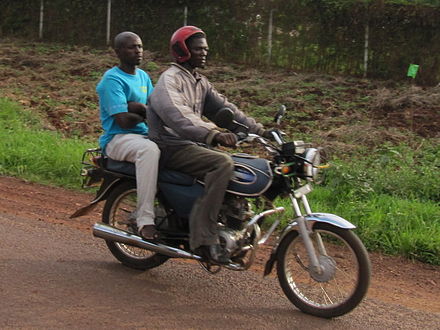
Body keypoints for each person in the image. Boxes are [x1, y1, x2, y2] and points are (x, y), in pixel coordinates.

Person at [148, 26, 269, 264]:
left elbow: (229, 111)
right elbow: (177, 114)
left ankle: (233, 219)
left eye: (205, 49)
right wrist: (213, 133)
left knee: (245, 165)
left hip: (190, 144)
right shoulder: (169, 79)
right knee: (221, 163)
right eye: (197, 49)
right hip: (169, 145)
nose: (203, 53)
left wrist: (262, 131)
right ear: (182, 51)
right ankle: (205, 238)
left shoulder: (199, 82)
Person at [97, 31, 160, 240]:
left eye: (140, 46)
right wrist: (143, 111)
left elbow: (154, 109)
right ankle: (144, 219)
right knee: (149, 151)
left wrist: (138, 108)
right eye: (131, 47)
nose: (138, 51)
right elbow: (122, 121)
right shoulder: (112, 80)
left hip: (142, 134)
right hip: (118, 139)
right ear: (118, 52)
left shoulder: (143, 77)